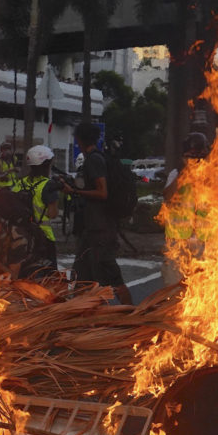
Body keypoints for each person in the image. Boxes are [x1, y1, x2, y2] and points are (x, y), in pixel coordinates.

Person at [64, 122, 133, 304]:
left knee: (111, 278)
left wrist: (75, 192)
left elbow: (102, 192)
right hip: (92, 231)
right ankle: (84, 318)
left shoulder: (94, 160)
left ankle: (133, 314)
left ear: (79, 140)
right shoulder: (95, 158)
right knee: (82, 278)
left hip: (101, 232)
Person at [161, 132, 209, 286]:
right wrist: (184, 174)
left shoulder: (213, 175)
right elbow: (168, 198)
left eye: (198, 157)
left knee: (203, 288)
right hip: (178, 241)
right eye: (190, 156)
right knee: (173, 286)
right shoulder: (176, 174)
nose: (194, 161)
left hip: (204, 242)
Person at [14, 144, 61, 265]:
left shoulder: (20, 183)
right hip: (44, 237)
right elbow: (52, 214)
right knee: (48, 277)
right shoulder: (49, 185)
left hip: (22, 236)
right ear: (46, 164)